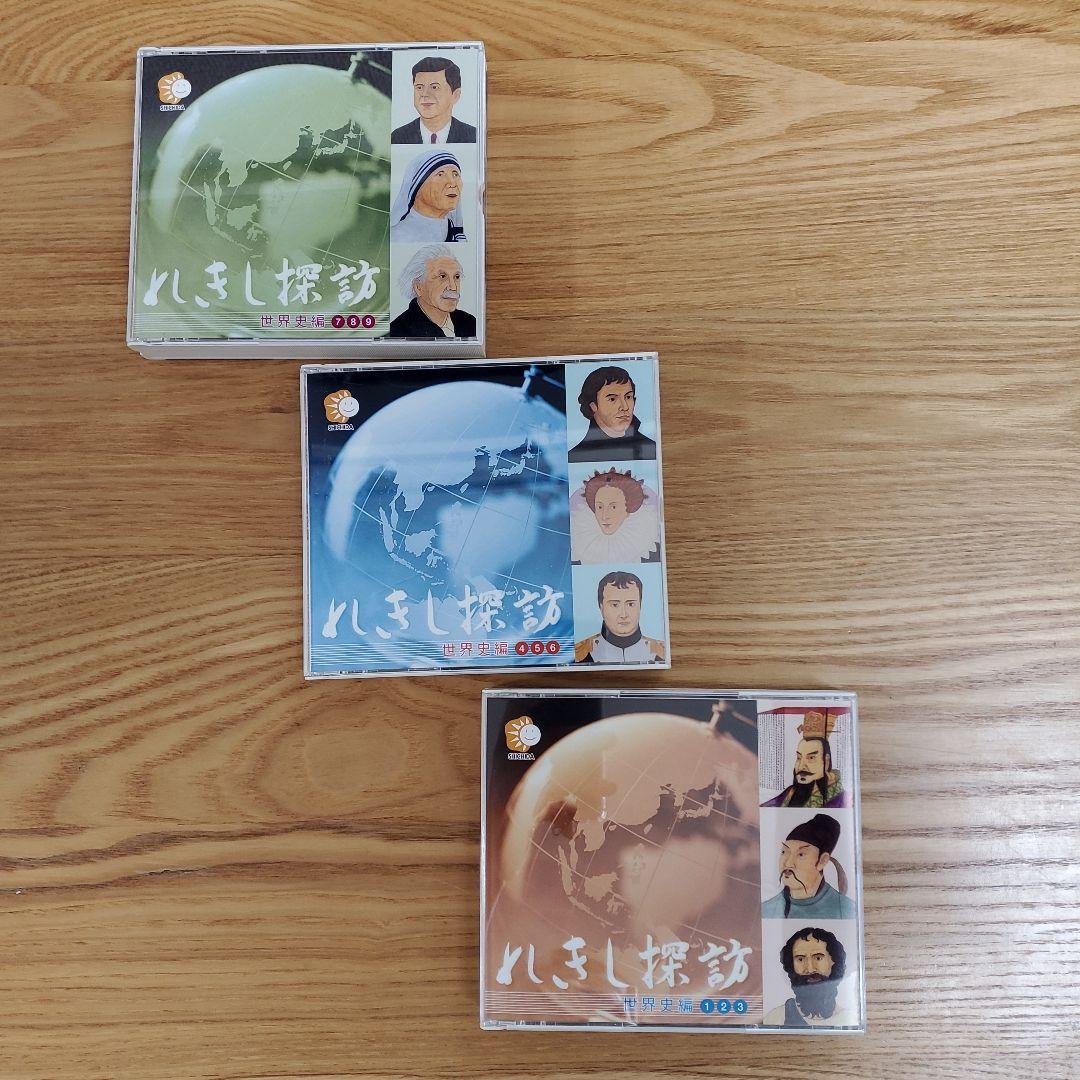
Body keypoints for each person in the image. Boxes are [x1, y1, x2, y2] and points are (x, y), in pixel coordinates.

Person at [762, 814, 856, 919]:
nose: (788, 863)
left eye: (801, 854)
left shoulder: (847, 911)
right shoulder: (767, 910)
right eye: (784, 852)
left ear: (822, 861)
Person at [763, 928, 858, 1028]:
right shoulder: (775, 1018)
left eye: (818, 958)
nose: (810, 969)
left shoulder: (850, 1020)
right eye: (800, 959)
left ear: (834, 961)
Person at [761, 710, 849, 808]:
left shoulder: (841, 800)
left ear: (826, 761)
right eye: (799, 758)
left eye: (811, 758)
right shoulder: (791, 792)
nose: (801, 766)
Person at [570, 468, 660, 564]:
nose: (604, 516)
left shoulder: (649, 546)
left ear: (628, 509)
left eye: (613, 507)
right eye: (600, 507)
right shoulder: (576, 546)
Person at [568, 366, 656, 462]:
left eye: (628, 397)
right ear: (593, 406)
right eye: (612, 399)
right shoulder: (576, 457)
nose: (625, 407)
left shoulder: (652, 449)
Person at [574, 571, 665, 664]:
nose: (623, 615)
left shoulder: (663, 652)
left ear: (640, 606)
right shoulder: (577, 655)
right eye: (615, 605)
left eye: (630, 604)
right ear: (601, 608)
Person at [388, 245, 476, 338]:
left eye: (457, 277)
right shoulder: (397, 332)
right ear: (418, 287)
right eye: (442, 276)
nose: (453, 287)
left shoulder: (470, 322)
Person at [391, 56, 477, 144]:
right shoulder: (397, 137)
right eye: (419, 87)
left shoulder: (473, 137)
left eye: (434, 87)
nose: (425, 94)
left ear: (455, 95)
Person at [390, 149, 466, 243]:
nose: (452, 183)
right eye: (440, 174)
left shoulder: (457, 235)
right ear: (417, 187)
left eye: (455, 174)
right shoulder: (397, 237)